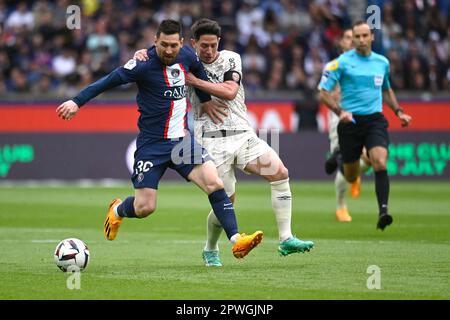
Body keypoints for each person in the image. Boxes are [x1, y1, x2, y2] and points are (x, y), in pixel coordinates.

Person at [56, 20, 263, 260]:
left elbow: (200, 73)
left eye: (173, 45)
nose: (168, 50)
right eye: (163, 44)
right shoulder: (142, 64)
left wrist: (205, 100)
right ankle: (118, 209)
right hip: (152, 146)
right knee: (145, 208)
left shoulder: (187, 56)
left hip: (182, 142)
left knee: (215, 184)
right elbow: (108, 80)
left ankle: (237, 241)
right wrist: (76, 102)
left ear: (182, 44)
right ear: (155, 42)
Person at [134, 18, 314, 267]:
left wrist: (194, 82)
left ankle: (286, 238)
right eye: (204, 46)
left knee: (280, 172)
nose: (209, 51)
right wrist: (142, 53)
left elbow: (230, 91)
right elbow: (155, 56)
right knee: (225, 200)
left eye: (213, 45)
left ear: (219, 42)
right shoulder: (179, 61)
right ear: (193, 44)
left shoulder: (231, 58)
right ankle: (210, 248)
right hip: (210, 141)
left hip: (242, 134)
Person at [318, 21, 412, 231]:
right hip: (349, 122)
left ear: (372, 38)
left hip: (374, 120)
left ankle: (383, 212)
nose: (360, 40)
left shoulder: (382, 63)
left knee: (379, 161)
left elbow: (387, 90)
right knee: (351, 175)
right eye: (356, 37)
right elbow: (323, 92)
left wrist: (399, 112)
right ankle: (341, 158)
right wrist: (339, 111)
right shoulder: (340, 63)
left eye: (364, 36)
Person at [319, 27, 373, 222]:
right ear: (341, 42)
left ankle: (354, 175)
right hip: (340, 117)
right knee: (344, 158)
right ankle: (341, 206)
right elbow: (324, 92)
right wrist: (335, 99)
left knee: (370, 158)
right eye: (348, 37)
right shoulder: (333, 66)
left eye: (355, 37)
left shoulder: (368, 63)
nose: (352, 41)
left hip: (364, 115)